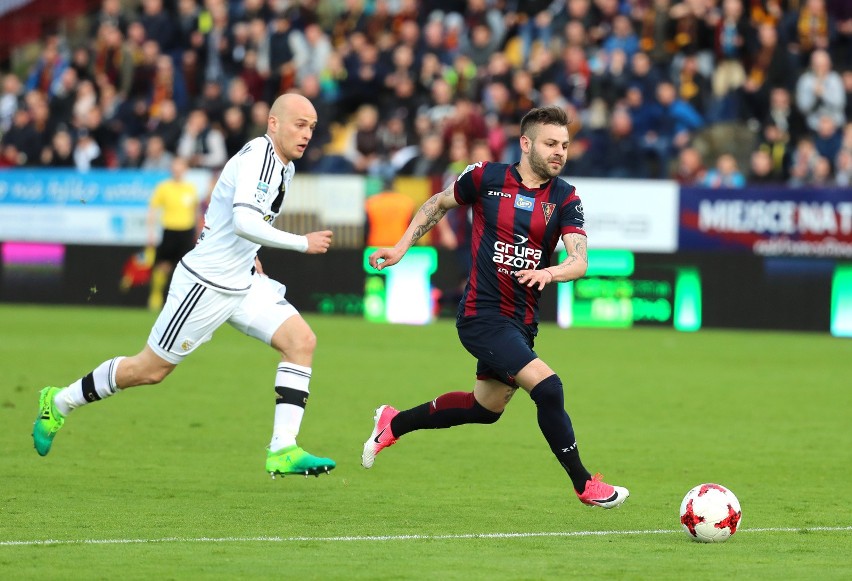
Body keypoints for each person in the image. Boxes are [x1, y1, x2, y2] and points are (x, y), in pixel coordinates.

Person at [33, 93, 337, 478]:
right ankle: (59, 402)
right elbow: (244, 220)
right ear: (273, 123)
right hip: (205, 285)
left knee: (301, 342)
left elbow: (232, 216)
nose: (307, 133)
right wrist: (301, 242)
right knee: (149, 369)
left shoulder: (282, 165)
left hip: (242, 281)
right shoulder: (259, 157)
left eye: (312, 126)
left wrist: (250, 251)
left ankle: (282, 449)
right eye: (300, 124)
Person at [361, 106, 629, 509]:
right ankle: (584, 483)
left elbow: (580, 260)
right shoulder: (485, 177)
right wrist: (401, 248)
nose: (560, 152)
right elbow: (437, 203)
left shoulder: (565, 198)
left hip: (521, 323)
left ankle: (393, 423)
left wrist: (551, 274)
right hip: (481, 316)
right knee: (549, 388)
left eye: (565, 145)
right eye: (551, 144)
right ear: (526, 143)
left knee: (485, 408)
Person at [146, 156, 200, 311]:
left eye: (180, 166)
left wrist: (197, 232)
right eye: (174, 166)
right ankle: (155, 296)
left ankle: (183, 299)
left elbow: (196, 212)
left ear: (185, 169)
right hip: (170, 229)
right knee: (163, 264)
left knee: (186, 266)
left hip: (187, 230)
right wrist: (150, 232)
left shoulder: (190, 188)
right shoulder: (164, 187)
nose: (177, 170)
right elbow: (153, 209)